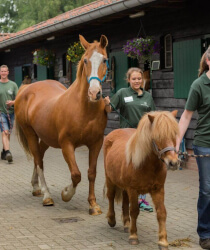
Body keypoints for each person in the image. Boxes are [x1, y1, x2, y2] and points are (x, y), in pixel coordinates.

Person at [104, 67, 155, 212]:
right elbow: (109, 110)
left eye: (139, 78)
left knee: (145, 167)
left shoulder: (148, 96)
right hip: (128, 136)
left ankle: (142, 199)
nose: (137, 81)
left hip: (144, 137)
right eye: (134, 79)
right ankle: (128, 194)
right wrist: (107, 103)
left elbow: (153, 116)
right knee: (131, 168)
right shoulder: (122, 93)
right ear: (128, 80)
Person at [176, 47, 210, 249]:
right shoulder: (198, 85)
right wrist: (176, 142)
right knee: (207, 190)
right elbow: (187, 115)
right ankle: (205, 233)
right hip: (204, 144)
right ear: (208, 61)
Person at [0, 65, 18, 163]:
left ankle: (3, 151)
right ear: (0, 73)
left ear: (8, 72)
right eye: (1, 71)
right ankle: (7, 152)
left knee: (8, 133)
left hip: (11, 113)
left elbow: (18, 98)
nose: (3, 73)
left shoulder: (13, 85)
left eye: (5, 71)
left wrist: (12, 102)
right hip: (1, 112)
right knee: (5, 132)